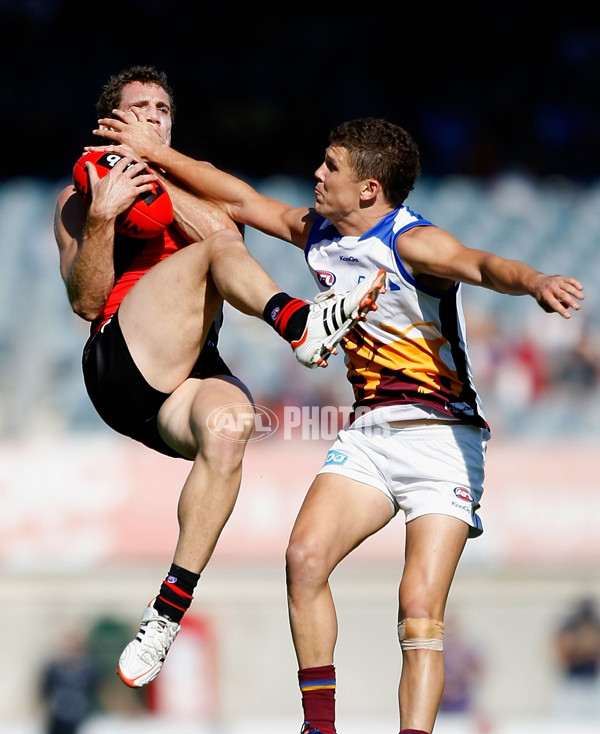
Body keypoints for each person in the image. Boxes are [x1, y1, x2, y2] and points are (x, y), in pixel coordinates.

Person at [91, 113, 584, 734]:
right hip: (372, 431)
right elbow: (245, 200)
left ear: (369, 188)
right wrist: (156, 154)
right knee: (304, 558)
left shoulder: (414, 242)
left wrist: (536, 279)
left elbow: (482, 266)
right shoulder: (325, 234)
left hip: (443, 443)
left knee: (418, 608)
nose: (316, 176)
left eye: (329, 167)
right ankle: (320, 733)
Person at [54, 67, 384, 691]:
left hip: (186, 372)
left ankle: (165, 613)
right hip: (122, 361)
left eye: (162, 109)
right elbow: (85, 300)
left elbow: (227, 233)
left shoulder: (184, 177)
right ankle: (301, 325)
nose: (153, 116)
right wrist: (101, 218)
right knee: (208, 260)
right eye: (138, 109)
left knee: (233, 427)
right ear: (110, 122)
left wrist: (155, 168)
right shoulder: (80, 191)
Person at [553, 596, 600, 718]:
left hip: (592, 679)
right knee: (568, 718)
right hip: (572, 680)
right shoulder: (569, 627)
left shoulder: (596, 626)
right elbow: (560, 650)